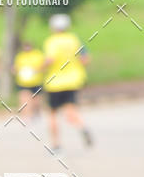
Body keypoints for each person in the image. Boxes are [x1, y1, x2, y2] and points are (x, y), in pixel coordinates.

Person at [43, 14, 93, 151]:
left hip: (55, 83)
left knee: (52, 114)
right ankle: (82, 127)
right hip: (74, 80)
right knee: (71, 110)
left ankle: (56, 145)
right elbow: (85, 59)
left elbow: (50, 60)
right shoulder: (74, 40)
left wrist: (39, 68)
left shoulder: (52, 41)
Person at [13, 40, 45, 121]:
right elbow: (15, 67)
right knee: (24, 100)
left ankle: (36, 112)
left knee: (36, 101)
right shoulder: (20, 56)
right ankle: (27, 116)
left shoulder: (37, 55)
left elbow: (43, 66)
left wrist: (35, 71)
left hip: (36, 82)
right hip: (23, 82)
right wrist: (15, 70)